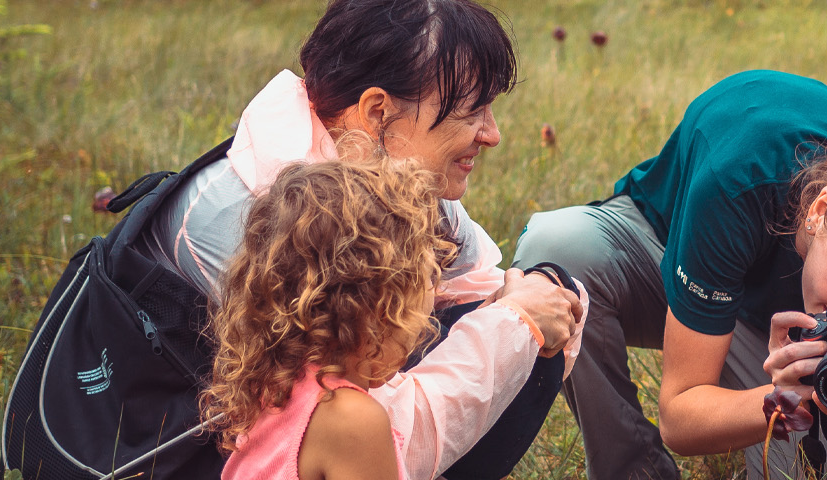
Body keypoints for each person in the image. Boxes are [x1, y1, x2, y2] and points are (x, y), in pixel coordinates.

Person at [136, 1, 584, 478]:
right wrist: (514, 323)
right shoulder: (255, 225)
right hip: (185, 456)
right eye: (472, 110)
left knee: (548, 295)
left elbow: (491, 290)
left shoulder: (394, 177)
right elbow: (363, 435)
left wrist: (528, 305)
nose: (492, 134)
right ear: (377, 110)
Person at [513, 70, 827, 479]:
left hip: (764, 307)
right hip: (671, 257)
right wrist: (786, 396)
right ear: (819, 209)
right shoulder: (741, 175)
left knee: (814, 463)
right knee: (557, 251)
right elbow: (680, 418)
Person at [202, 160, 447, 480]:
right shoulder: (351, 419)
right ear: (381, 306)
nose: (436, 291)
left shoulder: (279, 384)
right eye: (425, 277)